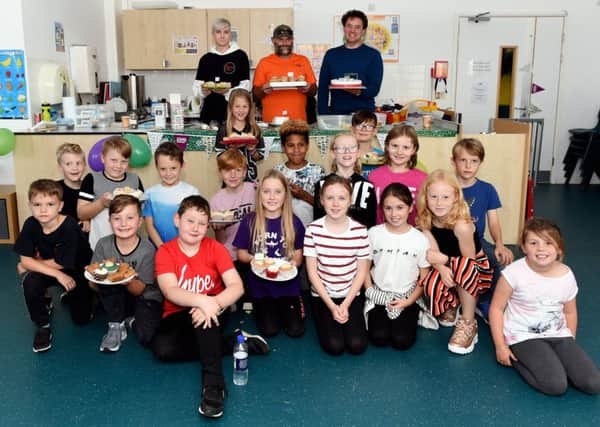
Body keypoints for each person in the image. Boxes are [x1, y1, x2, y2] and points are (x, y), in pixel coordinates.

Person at [151, 196, 248, 419]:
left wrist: (212, 303)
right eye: (190, 221)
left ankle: (214, 386)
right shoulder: (166, 251)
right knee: (162, 350)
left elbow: (236, 286)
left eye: (202, 224)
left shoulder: (216, 248)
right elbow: (170, 291)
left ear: (208, 226)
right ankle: (232, 343)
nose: (195, 228)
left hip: (215, 307)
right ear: (177, 220)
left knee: (205, 321)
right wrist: (200, 300)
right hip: (177, 311)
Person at [489, 218, 600, 396]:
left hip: (557, 334)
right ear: (524, 247)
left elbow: (570, 311)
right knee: (555, 385)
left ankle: (556, 363)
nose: (541, 248)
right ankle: (519, 361)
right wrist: (501, 346)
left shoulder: (566, 275)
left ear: (558, 249)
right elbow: (496, 309)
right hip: (523, 335)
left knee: (593, 384)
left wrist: (570, 338)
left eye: (548, 243)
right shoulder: (513, 274)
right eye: (533, 243)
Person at [416, 169, 493, 355]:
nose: (439, 202)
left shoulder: (462, 226)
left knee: (462, 267)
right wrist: (441, 268)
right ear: (425, 197)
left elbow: (470, 262)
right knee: (429, 282)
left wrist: (445, 261)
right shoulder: (426, 220)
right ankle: (452, 303)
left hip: (474, 270)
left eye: (445, 197)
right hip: (447, 266)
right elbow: (433, 254)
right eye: (433, 196)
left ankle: (468, 322)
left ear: (456, 198)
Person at [14, 179, 93, 352]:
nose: (43, 210)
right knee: (30, 282)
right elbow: (25, 260)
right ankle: (42, 325)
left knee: (82, 319)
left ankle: (86, 296)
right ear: (30, 205)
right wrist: (56, 274)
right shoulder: (31, 224)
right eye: (37, 204)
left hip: (77, 269)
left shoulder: (69, 225)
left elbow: (60, 262)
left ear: (60, 206)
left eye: (50, 204)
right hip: (55, 269)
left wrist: (31, 264)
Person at [233, 169, 306, 338]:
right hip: (261, 287)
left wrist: (287, 265)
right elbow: (241, 254)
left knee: (296, 330)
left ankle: (294, 304)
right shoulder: (250, 221)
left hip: (288, 286)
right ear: (259, 195)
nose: (272, 197)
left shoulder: (294, 222)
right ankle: (265, 307)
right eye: (266, 192)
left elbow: (298, 258)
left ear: (285, 195)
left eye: (277, 192)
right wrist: (258, 260)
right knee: (270, 330)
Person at [304, 174, 369, 355]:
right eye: (330, 198)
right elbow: (312, 273)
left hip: (350, 295)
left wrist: (346, 304)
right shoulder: (313, 230)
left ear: (350, 201)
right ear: (322, 201)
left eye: (341, 198)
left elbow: (361, 272)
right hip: (324, 296)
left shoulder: (360, 231)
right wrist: (332, 306)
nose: (335, 203)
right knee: (335, 346)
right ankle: (322, 315)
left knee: (357, 345)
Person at [451, 138, 514, 319]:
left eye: (474, 161)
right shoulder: (447, 186)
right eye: (463, 160)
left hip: (477, 240)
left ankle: (486, 302)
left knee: (502, 259)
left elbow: (493, 222)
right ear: (453, 161)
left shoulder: (487, 189)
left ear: (480, 163)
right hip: (448, 239)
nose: (468, 166)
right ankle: (450, 301)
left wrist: (500, 244)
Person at [364, 183, 430, 350]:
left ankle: (414, 312)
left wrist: (408, 302)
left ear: (410, 208)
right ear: (382, 209)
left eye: (400, 207)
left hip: (407, 295)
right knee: (379, 338)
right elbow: (364, 267)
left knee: (402, 341)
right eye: (388, 208)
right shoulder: (374, 233)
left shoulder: (419, 239)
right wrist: (370, 290)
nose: (394, 214)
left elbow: (423, 277)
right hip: (379, 293)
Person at [93, 195, 162, 352]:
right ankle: (115, 325)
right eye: (117, 218)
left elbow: (139, 289)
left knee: (147, 336)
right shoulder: (103, 244)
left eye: (130, 218)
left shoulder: (147, 250)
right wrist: (96, 277)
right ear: (109, 221)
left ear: (139, 222)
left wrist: (126, 278)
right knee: (109, 285)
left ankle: (130, 320)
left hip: (142, 294)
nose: (123, 224)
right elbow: (93, 285)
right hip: (114, 294)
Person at [77, 136, 144, 249]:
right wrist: (101, 203)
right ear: (103, 158)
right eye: (113, 160)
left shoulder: (135, 180)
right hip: (99, 241)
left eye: (124, 161)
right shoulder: (92, 179)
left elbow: (140, 211)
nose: (118, 166)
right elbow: (81, 213)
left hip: (129, 243)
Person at [317, 10, 383, 115]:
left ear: (363, 31)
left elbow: (374, 89)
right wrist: (322, 116)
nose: (352, 30)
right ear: (344, 28)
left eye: (357, 27)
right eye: (349, 26)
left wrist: (358, 91)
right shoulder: (331, 55)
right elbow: (323, 90)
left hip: (364, 117)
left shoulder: (373, 55)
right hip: (337, 114)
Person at [252, 24, 317, 123]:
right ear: (273, 41)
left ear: (292, 41)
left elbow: (314, 90)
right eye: (280, 40)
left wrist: (308, 89)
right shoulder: (264, 63)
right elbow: (255, 95)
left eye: (288, 39)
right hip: (271, 122)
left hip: (298, 121)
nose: (284, 43)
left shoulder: (303, 60)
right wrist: (263, 90)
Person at [192, 18, 250, 124]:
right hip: (209, 114)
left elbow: (246, 86)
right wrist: (203, 92)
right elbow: (196, 88)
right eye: (218, 32)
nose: (222, 36)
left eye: (226, 32)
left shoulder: (240, 56)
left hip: (233, 115)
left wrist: (228, 92)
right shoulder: (206, 58)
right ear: (213, 35)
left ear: (230, 34)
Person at [313, 133, 377, 228]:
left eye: (352, 147)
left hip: (357, 240)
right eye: (341, 148)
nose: (347, 152)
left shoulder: (367, 187)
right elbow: (318, 220)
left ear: (358, 152)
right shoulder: (322, 185)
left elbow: (371, 224)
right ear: (333, 153)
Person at [143, 142, 199, 248]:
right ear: (156, 167)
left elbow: (195, 223)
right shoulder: (150, 194)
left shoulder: (192, 193)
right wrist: (162, 247)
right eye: (163, 169)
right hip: (158, 249)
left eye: (173, 168)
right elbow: (149, 226)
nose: (168, 173)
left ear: (182, 165)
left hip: (185, 249)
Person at [368, 124, 427, 226]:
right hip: (380, 235)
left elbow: (426, 213)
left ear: (413, 150)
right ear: (386, 146)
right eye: (394, 146)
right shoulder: (374, 176)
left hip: (411, 236)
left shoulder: (423, 179)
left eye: (406, 147)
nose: (399, 152)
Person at [274, 119, 325, 226]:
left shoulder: (318, 171)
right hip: (283, 230)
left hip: (309, 230)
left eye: (301, 145)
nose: (296, 150)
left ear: (307, 146)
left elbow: (324, 206)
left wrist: (304, 195)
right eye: (290, 145)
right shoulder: (277, 172)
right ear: (283, 147)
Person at [210, 149, 256, 266]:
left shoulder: (254, 189)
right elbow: (220, 240)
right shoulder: (216, 201)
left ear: (245, 172)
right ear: (220, 173)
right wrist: (218, 228)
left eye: (238, 170)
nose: (233, 175)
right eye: (227, 170)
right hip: (231, 254)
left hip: (255, 252)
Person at [215, 89, 265, 183]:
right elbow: (219, 158)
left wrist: (252, 150)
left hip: (250, 179)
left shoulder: (255, 130)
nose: (241, 110)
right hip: (230, 179)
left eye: (245, 106)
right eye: (237, 106)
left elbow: (260, 156)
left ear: (250, 108)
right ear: (231, 107)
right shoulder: (223, 130)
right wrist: (231, 150)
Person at [55, 143, 89, 232]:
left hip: (84, 237)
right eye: (68, 164)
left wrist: (89, 220)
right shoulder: (55, 189)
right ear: (60, 167)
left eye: (78, 163)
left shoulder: (90, 188)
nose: (74, 168)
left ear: (85, 165)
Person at [351, 110, 383, 179]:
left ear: (374, 131)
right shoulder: (347, 154)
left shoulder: (381, 155)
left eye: (369, 126)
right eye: (359, 126)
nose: (364, 129)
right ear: (353, 130)